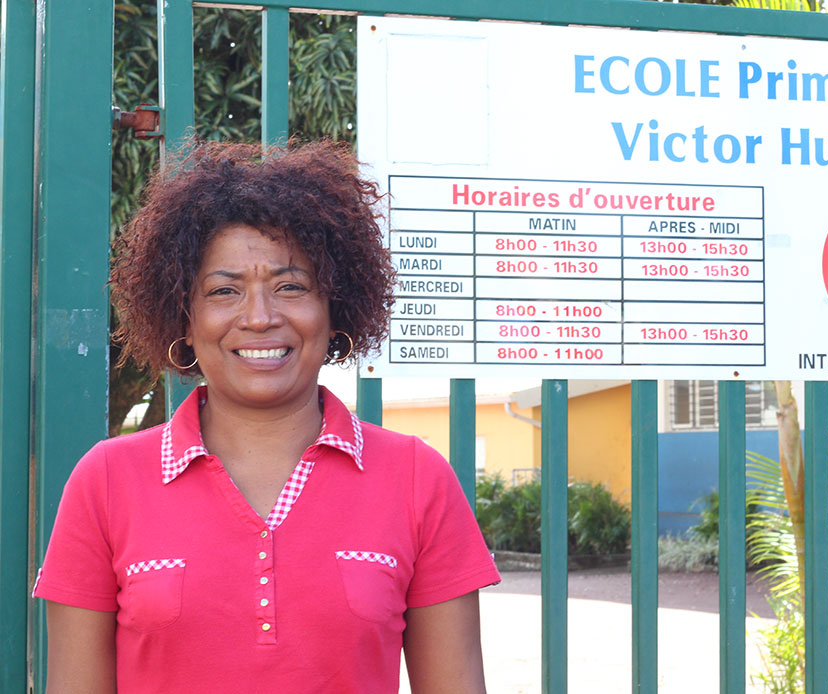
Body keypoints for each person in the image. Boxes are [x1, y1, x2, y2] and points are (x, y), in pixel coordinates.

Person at [33, 140, 500, 693]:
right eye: (224, 291)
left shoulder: (417, 479)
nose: (259, 317)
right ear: (184, 318)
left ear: (335, 310)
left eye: (291, 287)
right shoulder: (107, 481)